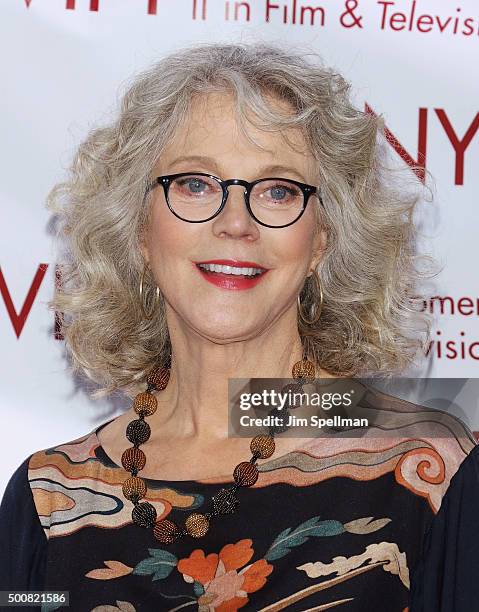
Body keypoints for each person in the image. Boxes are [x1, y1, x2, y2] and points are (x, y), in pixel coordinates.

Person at [0, 41, 476, 612]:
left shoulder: (427, 477)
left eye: (278, 191)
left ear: (322, 239)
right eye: (196, 183)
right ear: (140, 230)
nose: (236, 223)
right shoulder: (48, 499)